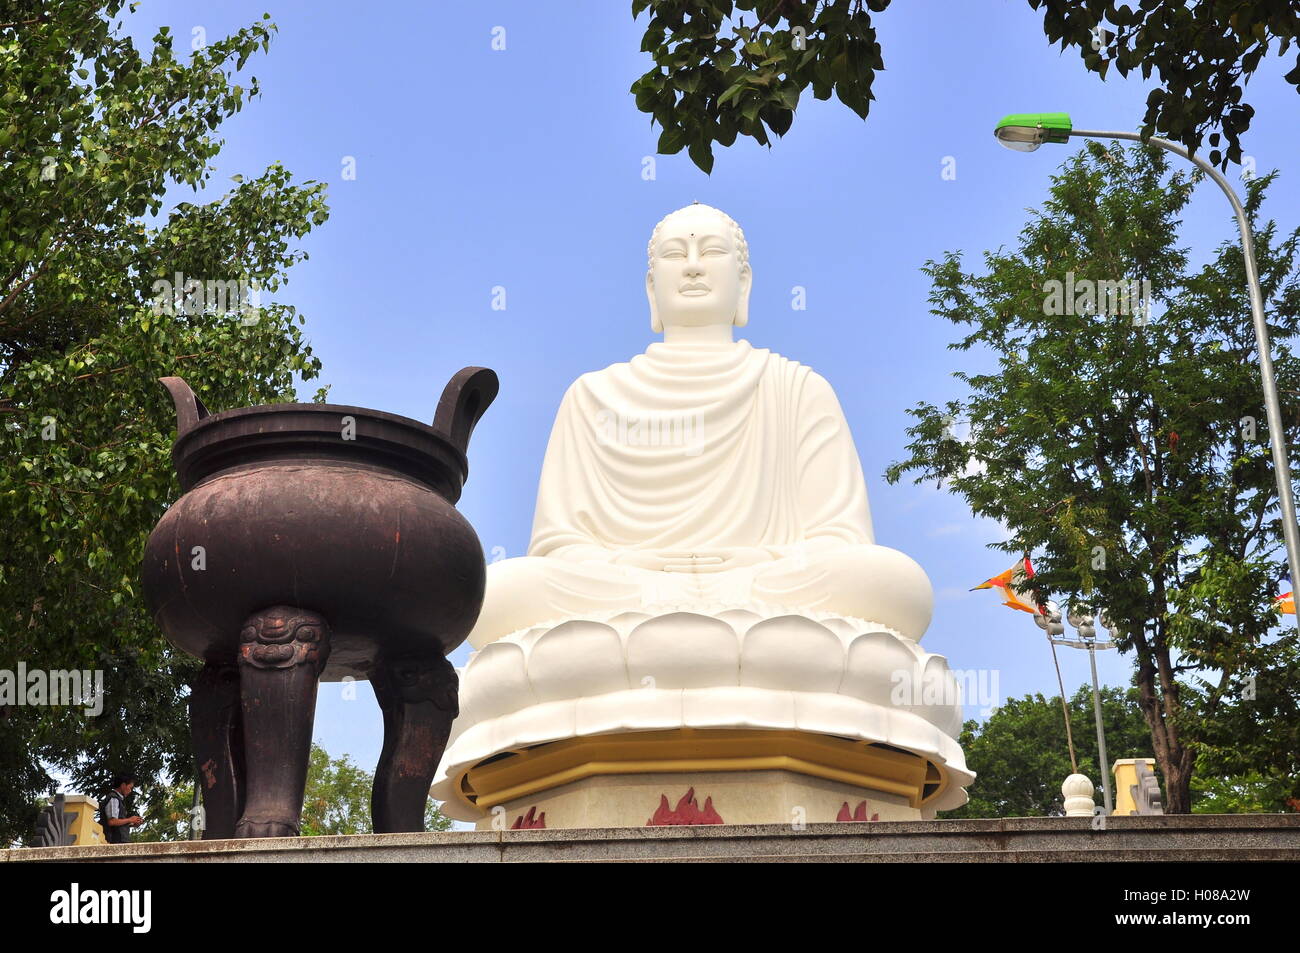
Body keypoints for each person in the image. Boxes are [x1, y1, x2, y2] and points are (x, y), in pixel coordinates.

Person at [99, 771, 144, 844]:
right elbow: (112, 821)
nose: (130, 791)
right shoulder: (113, 798)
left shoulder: (118, 799)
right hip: (114, 841)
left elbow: (118, 822)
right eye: (130, 787)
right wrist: (130, 819)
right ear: (123, 785)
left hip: (119, 840)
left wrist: (132, 823)